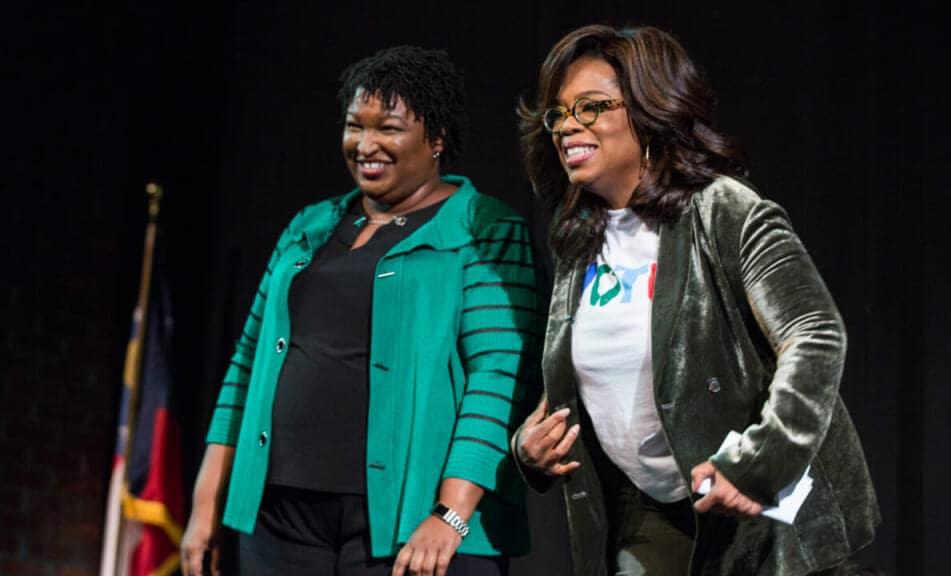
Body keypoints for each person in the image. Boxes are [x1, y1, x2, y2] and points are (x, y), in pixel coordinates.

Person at [513, 24, 880, 576]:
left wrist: (759, 461)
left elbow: (814, 332)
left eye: (590, 107)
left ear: (650, 111)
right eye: (559, 113)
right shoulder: (579, 241)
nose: (567, 126)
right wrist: (529, 447)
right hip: (647, 511)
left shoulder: (721, 210)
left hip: (763, 514)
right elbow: (586, 382)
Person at [181, 45, 542, 576]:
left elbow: (500, 379)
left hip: (410, 524)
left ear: (436, 138)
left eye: (389, 128)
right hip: (277, 517)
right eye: (355, 126)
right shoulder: (309, 225)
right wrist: (207, 504)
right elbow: (246, 366)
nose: (365, 144)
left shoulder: (485, 228)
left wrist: (452, 516)